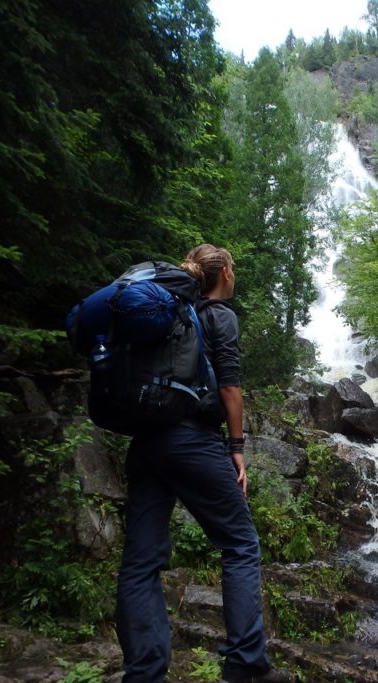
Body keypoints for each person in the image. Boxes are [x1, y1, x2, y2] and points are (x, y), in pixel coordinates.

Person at [115, 245, 292, 683]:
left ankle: (144, 674)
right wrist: (237, 445)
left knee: (140, 562)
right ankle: (246, 664)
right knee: (240, 544)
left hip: (146, 443)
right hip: (193, 441)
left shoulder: (169, 311)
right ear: (224, 274)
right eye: (234, 270)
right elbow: (230, 388)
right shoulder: (218, 316)